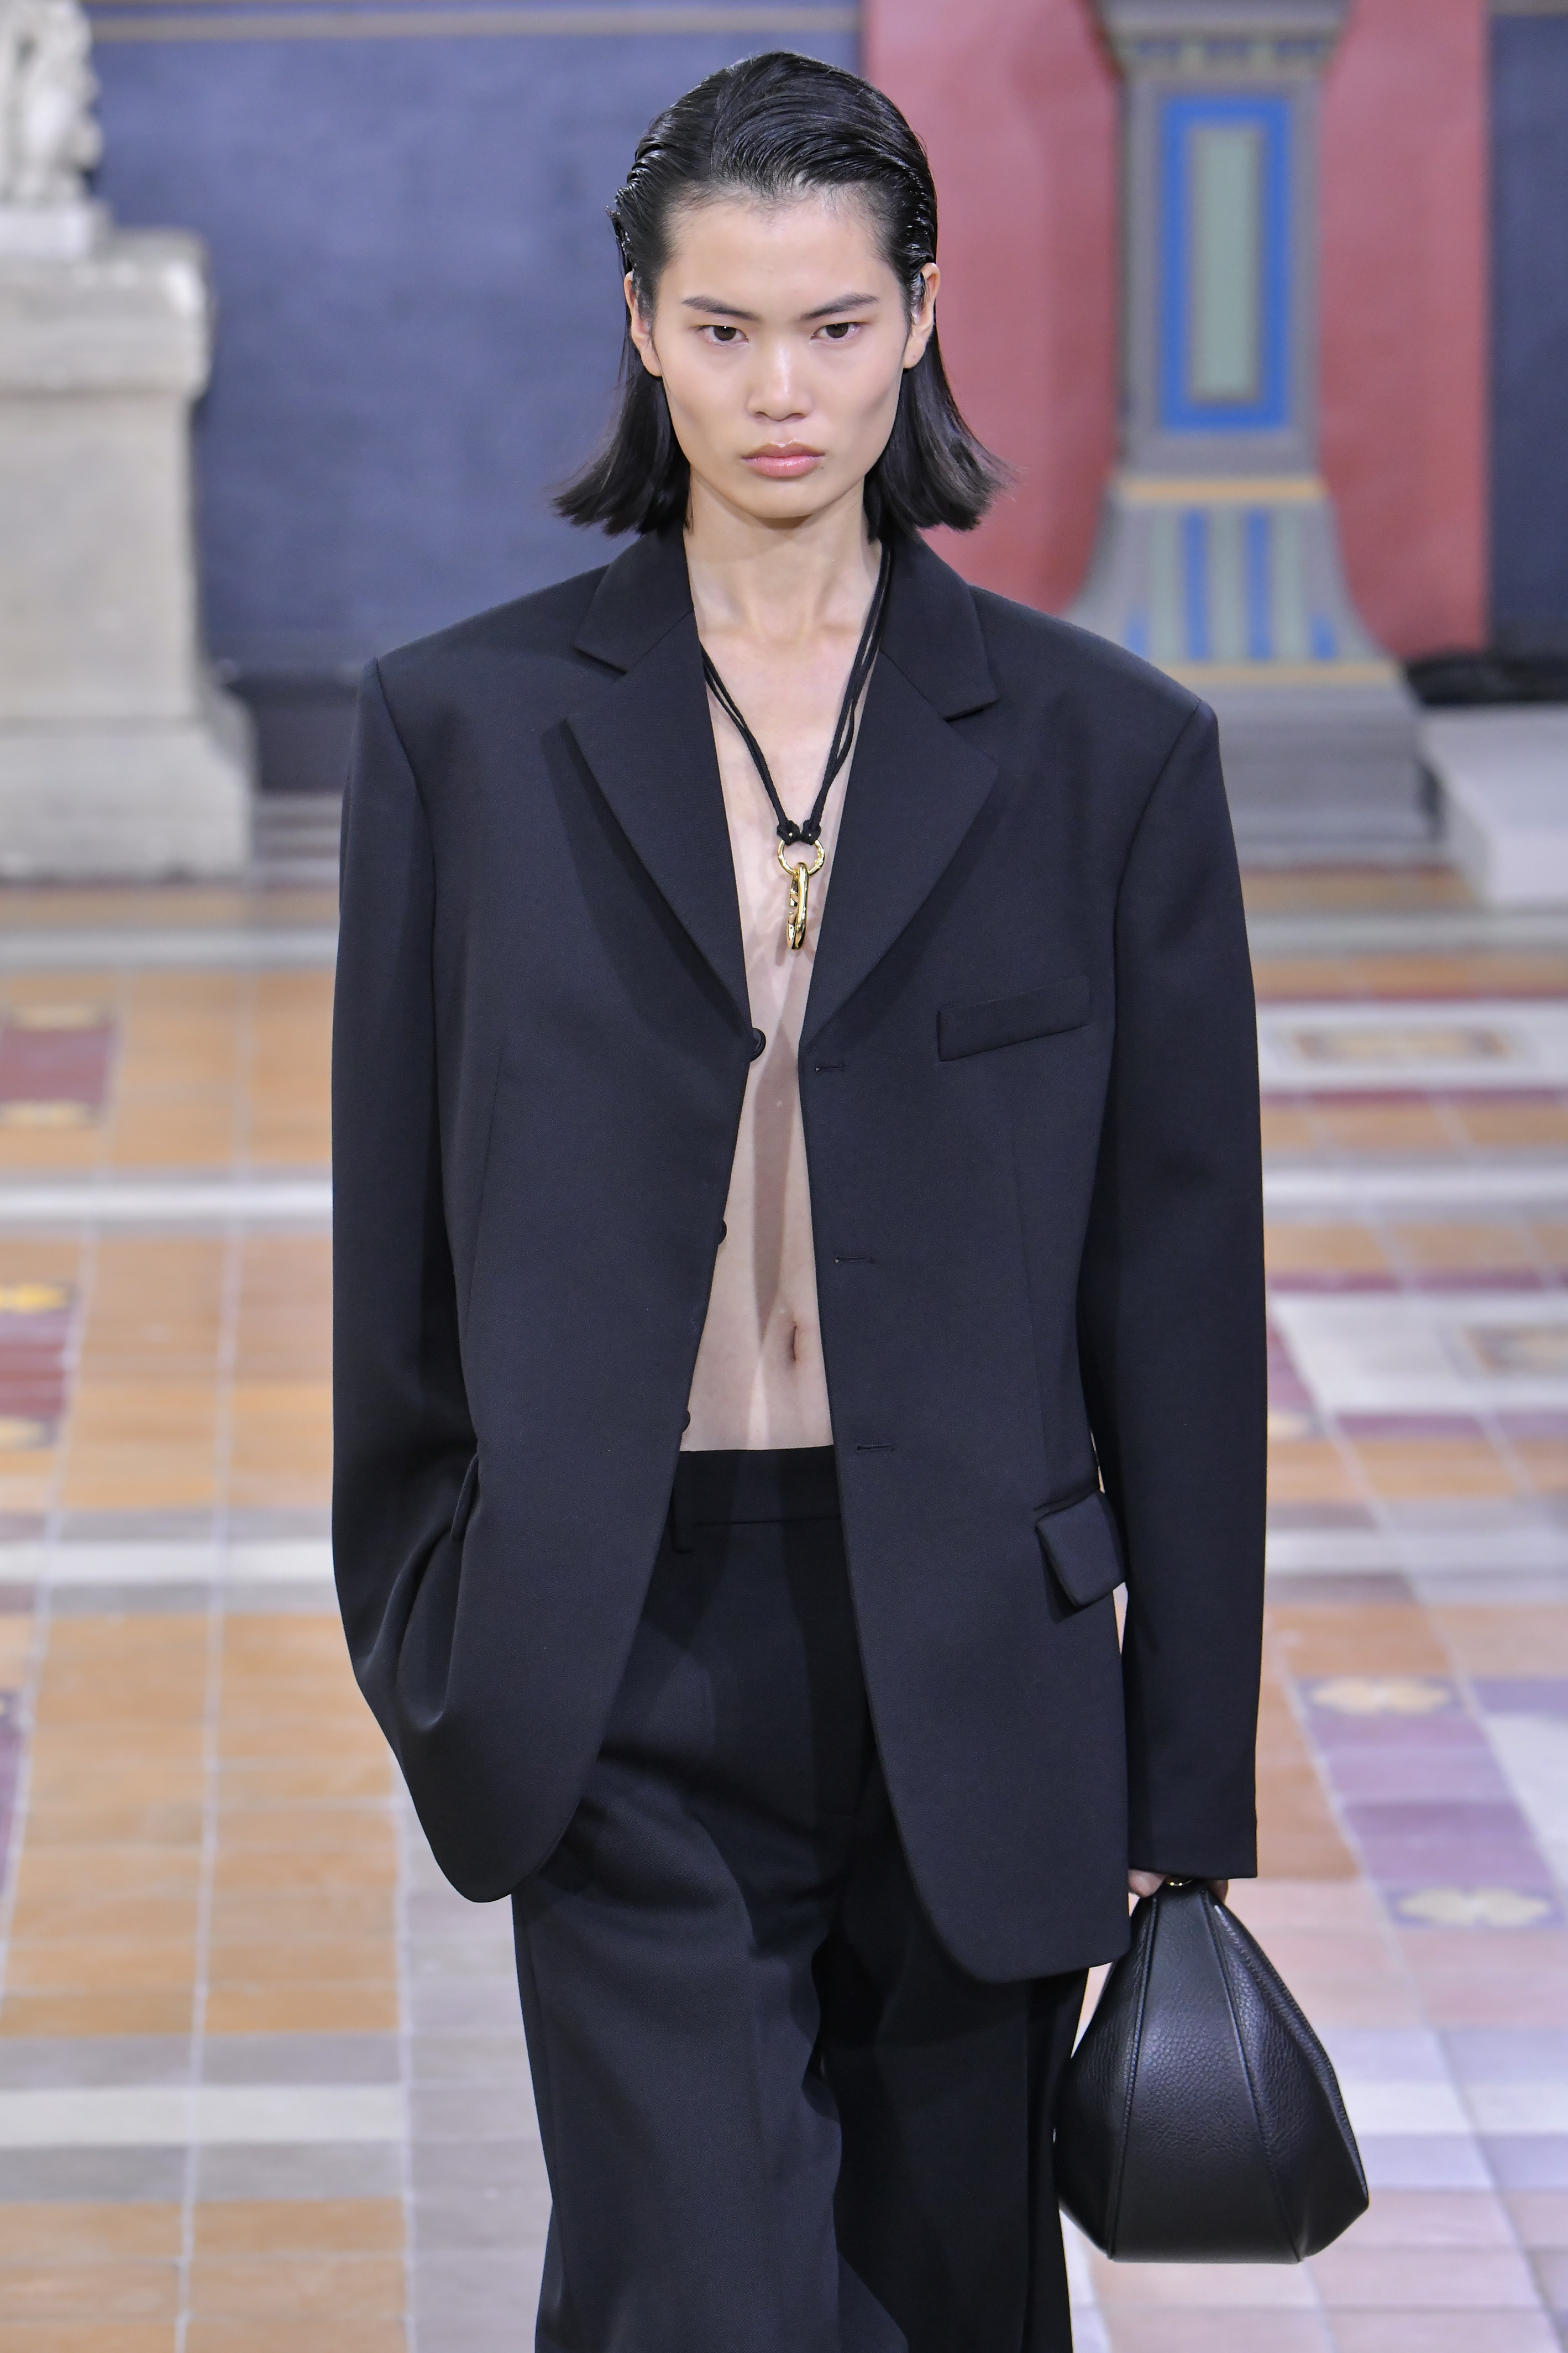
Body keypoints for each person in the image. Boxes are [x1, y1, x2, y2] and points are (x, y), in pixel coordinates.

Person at [332, 49, 1265, 2353]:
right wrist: (438, 1623)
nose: (781, 386)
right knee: (696, 2295)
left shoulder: (1102, 753)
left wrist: (1192, 1785)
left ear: (920, 318)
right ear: (639, 329)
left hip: (974, 1644)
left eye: (834, 324)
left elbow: (1175, 1289)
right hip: (613, 1638)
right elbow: (397, 1264)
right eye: (724, 326)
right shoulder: (461, 733)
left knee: (949, 2296)